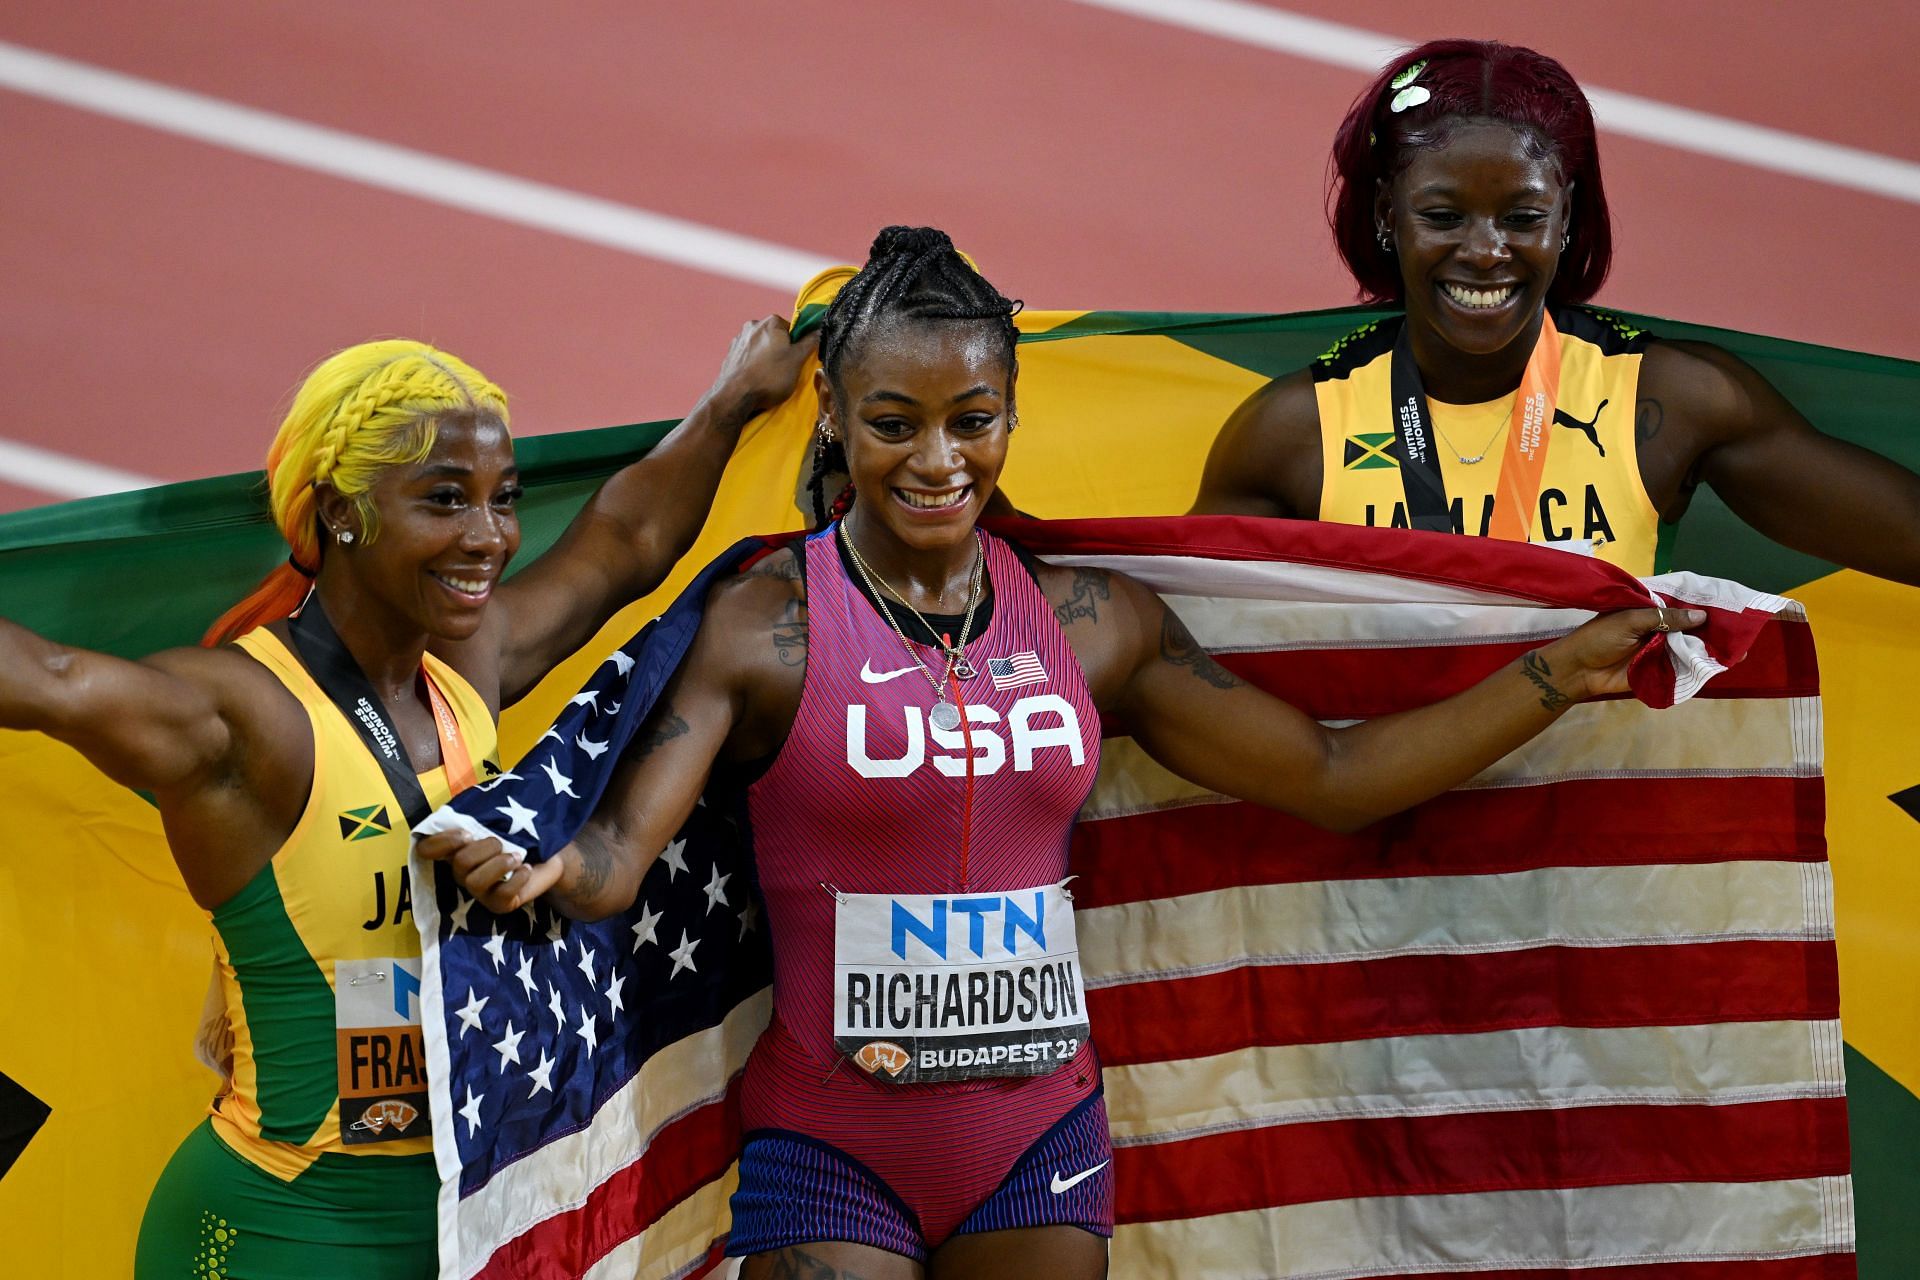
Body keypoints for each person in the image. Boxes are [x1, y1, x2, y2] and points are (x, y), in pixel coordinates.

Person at [423, 226, 1698, 1280]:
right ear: (834, 414)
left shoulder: (1094, 622)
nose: (936, 458)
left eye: (972, 418)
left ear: (1012, 413)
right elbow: (616, 849)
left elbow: (1330, 775)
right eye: (893, 422)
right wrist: (535, 870)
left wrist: (1551, 674)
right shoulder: (769, 627)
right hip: (831, 1142)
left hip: (1040, 1149)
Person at [0, 322, 813, 1277]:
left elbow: (627, 540)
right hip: (281, 1226)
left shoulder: (465, 668)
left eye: (502, 500)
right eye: (444, 502)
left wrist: (730, 405)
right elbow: (48, 677)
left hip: (473, 1223)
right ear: (343, 512)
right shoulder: (241, 719)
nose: (489, 538)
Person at [1193, 38, 1920, 582]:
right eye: (1443, 216)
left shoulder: (1670, 402)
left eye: (1523, 216)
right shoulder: (1295, 435)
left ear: (1566, 218)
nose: (1485, 251)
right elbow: (1174, 648)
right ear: (1389, 216)